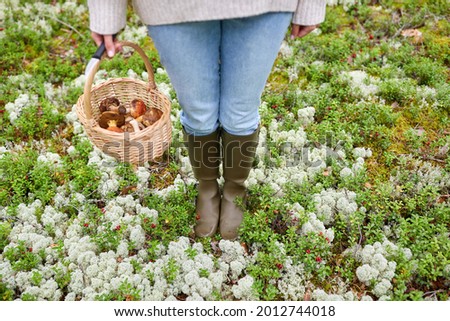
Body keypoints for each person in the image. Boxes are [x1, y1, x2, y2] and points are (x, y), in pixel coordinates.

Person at [87, 0, 327, 240]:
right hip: (171, 8)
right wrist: (106, 12)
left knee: (241, 111)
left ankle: (235, 191)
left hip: (264, 6)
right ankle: (207, 188)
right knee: (198, 113)